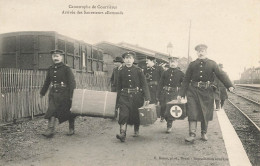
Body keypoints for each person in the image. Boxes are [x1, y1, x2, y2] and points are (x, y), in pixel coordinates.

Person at [178, 44, 234, 143]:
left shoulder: (212, 64)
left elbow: (221, 74)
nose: (201, 52)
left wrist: (229, 85)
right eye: (199, 51)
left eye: (203, 50)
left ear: (206, 52)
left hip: (207, 92)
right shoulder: (192, 64)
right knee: (192, 111)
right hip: (193, 91)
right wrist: (181, 93)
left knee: (205, 112)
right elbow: (186, 79)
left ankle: (204, 132)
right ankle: (192, 134)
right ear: (197, 52)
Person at [40, 49, 76, 138]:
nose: (55, 58)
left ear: (61, 57)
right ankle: (50, 129)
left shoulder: (66, 68)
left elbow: (72, 82)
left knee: (68, 111)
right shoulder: (50, 69)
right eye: (53, 56)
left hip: (65, 94)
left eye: (57, 56)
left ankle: (71, 128)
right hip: (53, 93)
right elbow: (47, 81)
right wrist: (42, 92)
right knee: (51, 110)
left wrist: (72, 95)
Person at [116, 51, 150, 142]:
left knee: (135, 114)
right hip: (124, 96)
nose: (128, 60)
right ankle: (122, 133)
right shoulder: (120, 71)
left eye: (130, 58)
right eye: (126, 58)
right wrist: (117, 100)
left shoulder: (138, 70)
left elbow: (144, 84)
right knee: (123, 114)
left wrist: (147, 97)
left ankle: (136, 129)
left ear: (133, 59)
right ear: (124, 60)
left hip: (136, 96)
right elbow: (118, 87)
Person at [157, 57, 184, 132]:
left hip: (174, 93)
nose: (172, 63)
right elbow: (160, 84)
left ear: (177, 63)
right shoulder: (165, 72)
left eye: (174, 62)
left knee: (170, 109)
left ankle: (169, 125)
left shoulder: (180, 73)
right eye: (171, 62)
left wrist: (181, 94)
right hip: (164, 93)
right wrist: (158, 95)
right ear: (169, 63)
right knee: (163, 108)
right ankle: (167, 120)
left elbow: (184, 84)